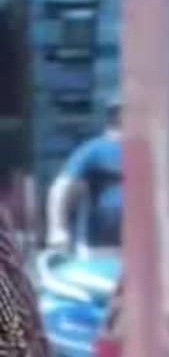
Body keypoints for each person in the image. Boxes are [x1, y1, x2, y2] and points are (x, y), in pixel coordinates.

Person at [45, 95, 123, 250]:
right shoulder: (93, 151)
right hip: (98, 246)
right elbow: (63, 187)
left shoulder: (144, 150)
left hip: (140, 243)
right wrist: (58, 229)